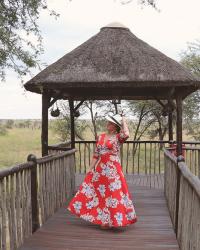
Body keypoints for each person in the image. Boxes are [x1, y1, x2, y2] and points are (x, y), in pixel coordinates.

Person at [67, 112, 137, 229]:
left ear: (115, 126)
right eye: (108, 122)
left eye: (111, 123)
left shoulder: (118, 137)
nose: (108, 124)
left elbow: (126, 133)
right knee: (100, 194)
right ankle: (104, 220)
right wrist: (90, 169)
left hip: (113, 169)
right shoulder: (100, 137)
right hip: (101, 169)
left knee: (114, 195)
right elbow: (96, 154)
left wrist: (123, 119)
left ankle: (115, 220)